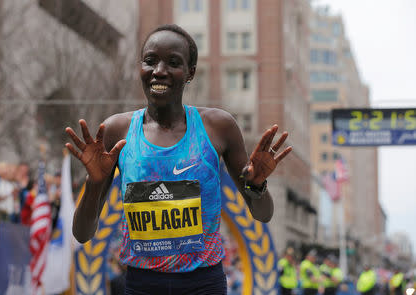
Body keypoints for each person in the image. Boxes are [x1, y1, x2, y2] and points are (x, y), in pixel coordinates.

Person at [66, 24, 292, 294]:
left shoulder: (218, 127)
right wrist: (94, 184)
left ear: (190, 73)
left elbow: (263, 214)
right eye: (150, 61)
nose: (159, 70)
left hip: (203, 283)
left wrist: (257, 186)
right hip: (141, 284)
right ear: (140, 67)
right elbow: (82, 234)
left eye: (173, 62)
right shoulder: (118, 130)